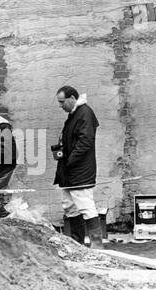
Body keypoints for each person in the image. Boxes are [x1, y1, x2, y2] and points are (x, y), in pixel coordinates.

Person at [53, 86, 104, 249]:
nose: (61, 106)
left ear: (72, 98)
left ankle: (96, 244)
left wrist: (70, 160)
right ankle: (77, 242)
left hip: (80, 170)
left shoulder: (85, 113)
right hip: (69, 171)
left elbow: (85, 142)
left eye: (62, 102)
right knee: (69, 206)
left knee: (85, 205)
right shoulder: (75, 114)